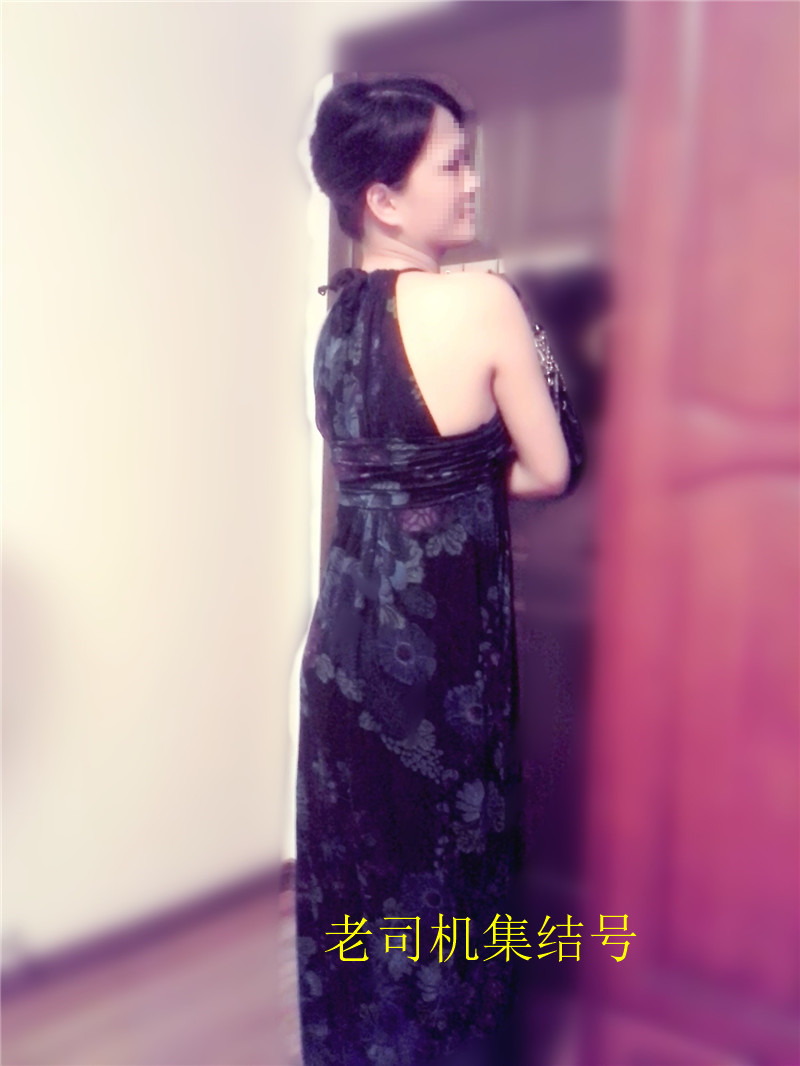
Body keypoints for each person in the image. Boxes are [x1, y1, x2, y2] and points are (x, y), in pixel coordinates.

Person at [295, 75, 573, 1066]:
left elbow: (367, 474)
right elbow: (550, 466)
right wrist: (464, 485)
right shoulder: (482, 301)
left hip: (342, 647)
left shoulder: (334, 322)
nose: (470, 182)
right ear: (382, 197)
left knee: (361, 876)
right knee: (446, 876)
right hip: (440, 648)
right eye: (451, 165)